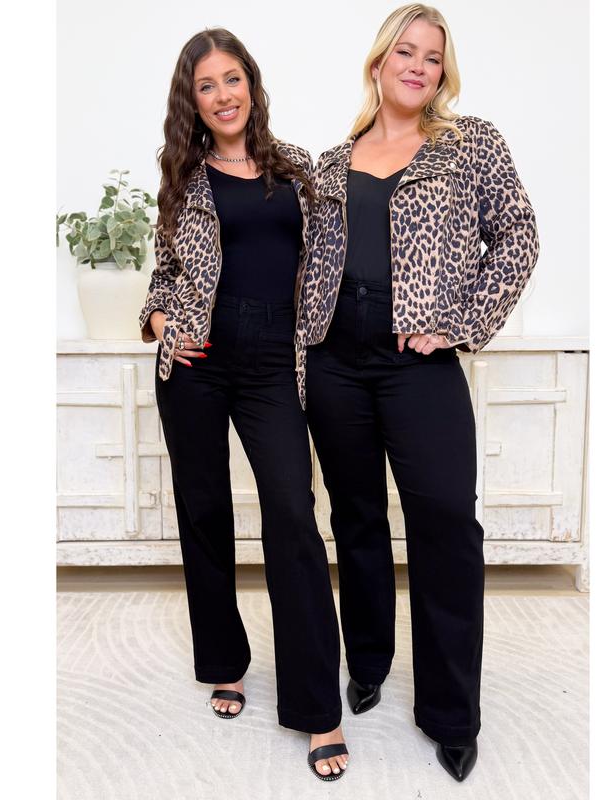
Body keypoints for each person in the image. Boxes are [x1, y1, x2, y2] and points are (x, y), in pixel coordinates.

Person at [296, 3, 539, 783]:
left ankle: (450, 713)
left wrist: (460, 323)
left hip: (417, 366)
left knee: (446, 527)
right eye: (406, 51)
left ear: (443, 73)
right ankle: (368, 663)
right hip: (335, 362)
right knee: (357, 519)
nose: (418, 66)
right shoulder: (330, 163)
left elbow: (518, 237)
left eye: (432, 57)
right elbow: (304, 261)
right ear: (379, 62)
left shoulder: (471, 145)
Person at [139, 28, 349, 781]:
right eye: (207, 85)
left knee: (292, 514)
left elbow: (327, 263)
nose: (223, 95)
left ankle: (317, 706)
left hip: (273, 362)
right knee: (204, 513)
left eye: (233, 79)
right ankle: (224, 663)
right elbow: (163, 277)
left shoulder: (295, 168)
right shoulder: (182, 178)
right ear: (191, 101)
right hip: (196, 361)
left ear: (252, 85)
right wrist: (161, 324)